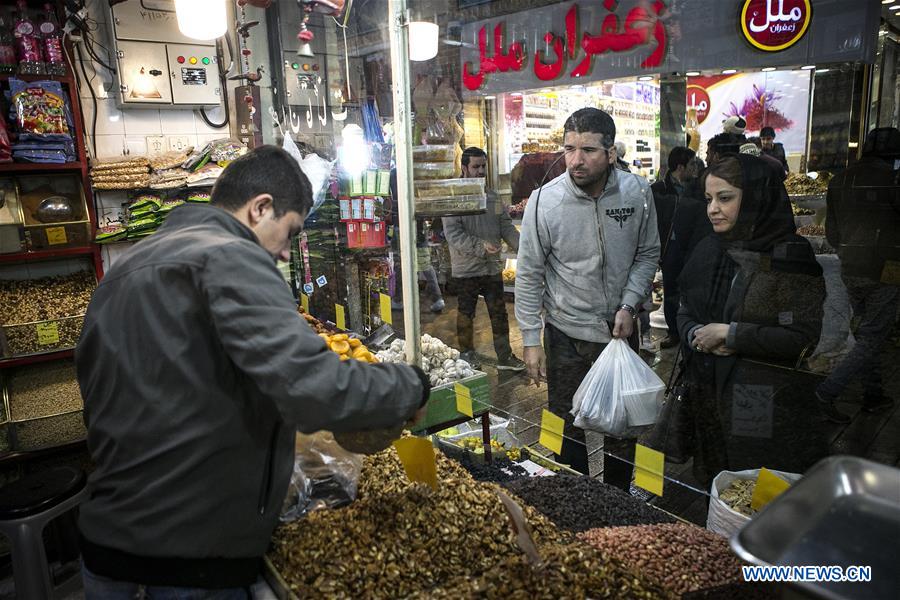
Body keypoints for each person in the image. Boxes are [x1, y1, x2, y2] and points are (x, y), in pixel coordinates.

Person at [75, 146, 430, 598]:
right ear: (260, 207)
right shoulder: (230, 257)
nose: (284, 254)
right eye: (288, 234)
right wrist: (410, 386)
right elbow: (312, 386)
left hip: (108, 548)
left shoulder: (122, 272)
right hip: (191, 558)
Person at [515, 107, 660, 485]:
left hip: (621, 331)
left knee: (622, 427)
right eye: (569, 148)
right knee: (565, 425)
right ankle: (571, 495)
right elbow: (529, 274)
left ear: (611, 153)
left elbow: (647, 253)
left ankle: (617, 501)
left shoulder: (637, 192)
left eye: (589, 150)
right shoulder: (543, 202)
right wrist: (531, 339)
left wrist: (630, 303)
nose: (575, 161)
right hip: (564, 334)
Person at [678, 154, 827, 486]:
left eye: (725, 198)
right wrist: (695, 335)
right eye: (708, 199)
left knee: (751, 491)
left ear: (756, 197)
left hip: (760, 400)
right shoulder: (711, 248)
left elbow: (802, 337)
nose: (712, 208)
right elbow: (685, 308)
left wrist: (731, 335)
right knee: (714, 489)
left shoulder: (789, 256)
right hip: (707, 392)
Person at [816, 127, 900, 422]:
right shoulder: (893, 180)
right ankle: (826, 392)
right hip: (886, 270)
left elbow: (833, 233)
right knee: (873, 337)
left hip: (850, 267)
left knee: (867, 333)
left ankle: (873, 393)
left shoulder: (840, 180)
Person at [443, 147, 525, 371]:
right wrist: (480, 246)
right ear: (464, 168)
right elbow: (453, 234)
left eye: (483, 167)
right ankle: (467, 353)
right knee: (466, 313)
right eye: (476, 167)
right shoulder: (453, 198)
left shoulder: (493, 197)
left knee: (499, 313)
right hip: (467, 268)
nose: (480, 171)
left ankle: (505, 357)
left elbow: (505, 225)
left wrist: (521, 247)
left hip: (492, 267)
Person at [651, 146, 712, 349]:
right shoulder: (659, 189)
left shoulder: (698, 188)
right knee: (671, 291)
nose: (696, 168)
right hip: (671, 247)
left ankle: (693, 329)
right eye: (692, 164)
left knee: (694, 290)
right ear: (680, 167)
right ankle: (673, 331)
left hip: (694, 247)